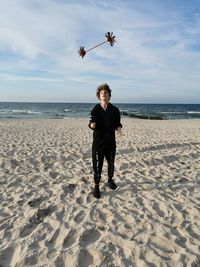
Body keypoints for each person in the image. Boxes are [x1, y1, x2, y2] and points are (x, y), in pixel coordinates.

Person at [88, 83, 123, 198]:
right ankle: (96, 186)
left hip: (111, 143)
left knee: (111, 164)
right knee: (98, 166)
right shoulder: (95, 109)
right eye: (102, 92)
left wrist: (119, 130)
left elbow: (117, 124)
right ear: (99, 95)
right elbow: (91, 122)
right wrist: (92, 125)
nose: (104, 94)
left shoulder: (114, 110)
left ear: (109, 95)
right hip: (98, 144)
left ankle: (110, 180)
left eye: (106, 92)